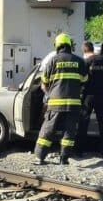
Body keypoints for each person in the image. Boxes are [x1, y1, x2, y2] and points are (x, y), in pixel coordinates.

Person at [35, 33, 87, 165]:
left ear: (57, 46)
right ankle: (64, 159)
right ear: (70, 45)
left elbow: (44, 83)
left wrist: (49, 93)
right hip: (73, 105)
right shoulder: (79, 61)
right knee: (69, 132)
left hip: (55, 104)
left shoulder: (53, 60)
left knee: (48, 130)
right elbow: (84, 80)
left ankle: (40, 157)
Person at [78, 39, 103, 158]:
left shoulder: (86, 62)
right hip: (102, 95)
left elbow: (81, 80)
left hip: (88, 96)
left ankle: (80, 150)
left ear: (85, 50)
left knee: (83, 123)